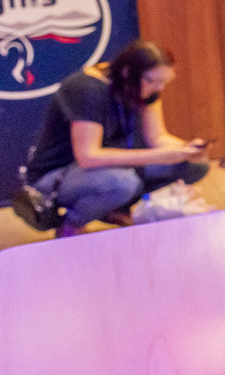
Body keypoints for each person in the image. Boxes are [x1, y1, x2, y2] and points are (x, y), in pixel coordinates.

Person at [23, 39, 208, 236]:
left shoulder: (145, 86)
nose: (158, 88)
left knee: (195, 164)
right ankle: (71, 226)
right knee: (124, 183)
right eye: (152, 81)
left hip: (105, 167)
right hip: (57, 176)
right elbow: (87, 157)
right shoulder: (87, 89)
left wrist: (185, 149)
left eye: (164, 82)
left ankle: (114, 209)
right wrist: (160, 156)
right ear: (127, 73)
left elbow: (157, 137)